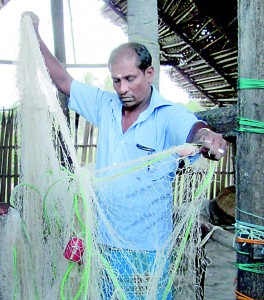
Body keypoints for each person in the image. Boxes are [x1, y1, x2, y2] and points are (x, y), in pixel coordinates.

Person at [23, 12, 227, 299]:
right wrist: (35, 36)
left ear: (149, 73)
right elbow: (62, 79)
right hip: (103, 244)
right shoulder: (105, 105)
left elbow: (195, 131)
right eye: (116, 80)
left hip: (147, 251)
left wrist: (209, 139)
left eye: (130, 79)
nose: (122, 88)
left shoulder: (168, 115)